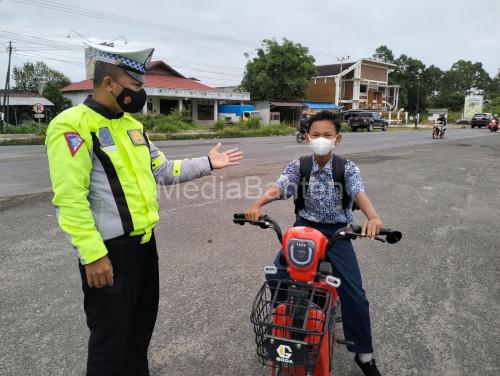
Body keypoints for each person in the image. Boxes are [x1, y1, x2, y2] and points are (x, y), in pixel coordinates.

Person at [45, 42, 243, 376]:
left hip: (144, 248)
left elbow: (163, 171)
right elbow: (70, 198)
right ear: (110, 84)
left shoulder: (134, 127)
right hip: (110, 254)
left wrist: (208, 162)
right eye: (135, 86)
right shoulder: (72, 125)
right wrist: (92, 255)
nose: (140, 93)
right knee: (110, 344)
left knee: (138, 337)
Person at [245, 110, 383, 376]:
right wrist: (257, 204)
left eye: (327, 135)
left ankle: (364, 354)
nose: (321, 139)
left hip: (336, 234)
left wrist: (373, 217)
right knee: (277, 276)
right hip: (303, 229)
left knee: (354, 294)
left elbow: (358, 192)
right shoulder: (300, 165)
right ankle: (288, 330)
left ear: (337, 139)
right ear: (308, 137)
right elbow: (281, 186)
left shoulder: (347, 168)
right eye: (316, 135)